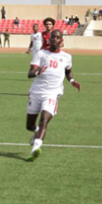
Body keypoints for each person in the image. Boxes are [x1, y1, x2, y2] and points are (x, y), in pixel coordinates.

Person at [25, 30, 81, 161]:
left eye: (57, 37)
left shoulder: (67, 57)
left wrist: (72, 81)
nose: (55, 39)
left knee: (44, 120)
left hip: (52, 93)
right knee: (30, 126)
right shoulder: (41, 54)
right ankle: (36, 132)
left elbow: (68, 71)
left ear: (61, 41)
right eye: (53, 37)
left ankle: (35, 149)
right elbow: (30, 73)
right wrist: (38, 71)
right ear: (49, 39)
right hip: (36, 92)